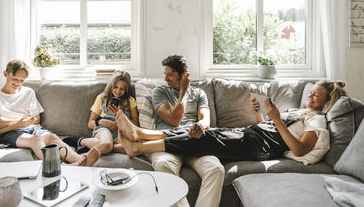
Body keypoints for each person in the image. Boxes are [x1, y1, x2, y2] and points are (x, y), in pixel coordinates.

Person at [116, 80, 347, 165]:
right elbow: (273, 128)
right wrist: (261, 116)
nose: (310, 97)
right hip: (252, 133)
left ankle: (138, 146)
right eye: (311, 92)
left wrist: (276, 118)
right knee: (196, 129)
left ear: (327, 101)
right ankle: (141, 134)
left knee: (201, 136)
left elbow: (299, 149)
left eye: (316, 95)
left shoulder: (317, 120)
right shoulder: (301, 111)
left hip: (259, 146)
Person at [122, 55, 224, 207]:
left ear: (183, 75)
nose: (166, 78)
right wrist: (184, 92)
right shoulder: (160, 92)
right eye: (165, 74)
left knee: (216, 169)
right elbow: (174, 120)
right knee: (163, 164)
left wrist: (200, 126)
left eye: (170, 74)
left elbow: (205, 120)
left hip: (193, 142)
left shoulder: (199, 94)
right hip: (167, 144)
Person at [0, 60, 100, 166]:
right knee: (36, 139)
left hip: (32, 128)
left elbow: (36, 120)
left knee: (52, 137)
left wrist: (7, 122)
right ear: (5, 74)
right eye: (15, 79)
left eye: (22, 80)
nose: (18, 83)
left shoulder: (28, 92)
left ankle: (81, 161)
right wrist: (18, 124)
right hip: (9, 134)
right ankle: (63, 167)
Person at [63, 70, 138, 155]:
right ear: (111, 85)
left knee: (134, 148)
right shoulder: (102, 98)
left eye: (122, 89)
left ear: (126, 89)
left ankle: (94, 145)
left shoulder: (130, 101)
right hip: (104, 129)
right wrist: (101, 121)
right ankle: (80, 140)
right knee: (106, 145)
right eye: (115, 87)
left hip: (120, 131)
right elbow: (90, 123)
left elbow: (135, 124)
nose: (118, 91)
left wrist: (120, 117)